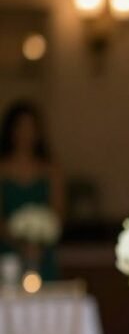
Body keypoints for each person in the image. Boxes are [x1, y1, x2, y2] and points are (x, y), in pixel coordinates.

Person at [0, 99, 65, 280]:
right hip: (8, 252)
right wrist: (20, 243)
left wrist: (39, 242)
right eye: (21, 127)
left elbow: (58, 213)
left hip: (43, 253)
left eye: (31, 127)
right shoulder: (2, 170)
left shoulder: (51, 170)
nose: (25, 134)